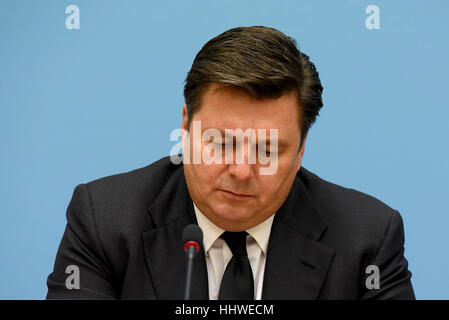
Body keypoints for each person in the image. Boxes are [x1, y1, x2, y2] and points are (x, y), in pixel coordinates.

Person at [46, 26, 415, 299]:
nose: (241, 170)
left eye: (267, 150)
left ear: (301, 149)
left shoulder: (367, 238)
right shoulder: (105, 221)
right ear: (186, 126)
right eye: (220, 143)